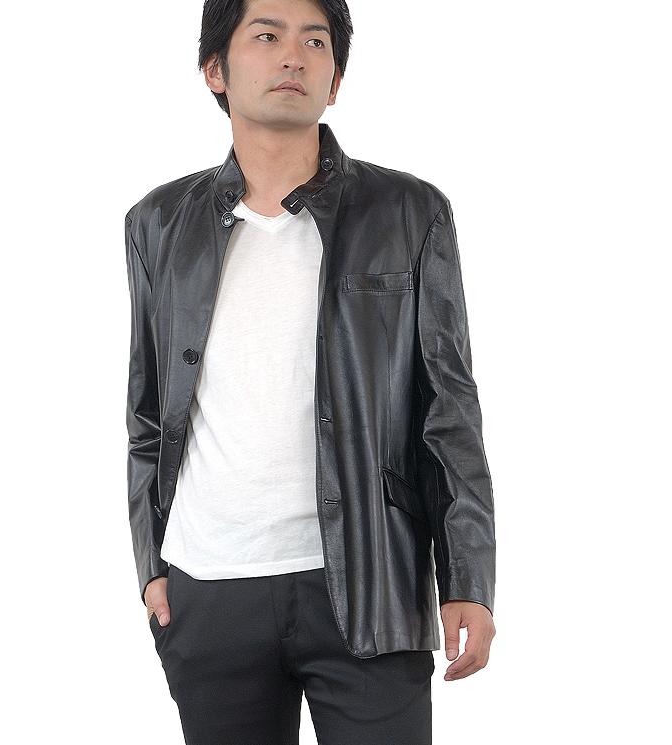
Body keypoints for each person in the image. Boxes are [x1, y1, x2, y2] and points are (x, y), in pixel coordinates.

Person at [124, 1, 497, 742]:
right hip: (208, 589)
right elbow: (147, 408)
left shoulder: (408, 211)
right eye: (266, 36)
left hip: (369, 579)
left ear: (336, 79)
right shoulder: (157, 222)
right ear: (214, 70)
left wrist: (468, 578)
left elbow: (447, 408)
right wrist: (152, 567)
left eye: (315, 41)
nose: (293, 55)